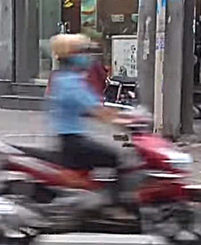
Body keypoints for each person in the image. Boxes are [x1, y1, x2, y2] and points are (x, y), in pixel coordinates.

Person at [47, 34, 137, 218]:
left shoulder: (63, 78)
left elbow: (91, 108)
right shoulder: (70, 82)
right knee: (116, 157)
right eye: (81, 52)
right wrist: (125, 121)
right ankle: (116, 205)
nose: (86, 57)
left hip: (69, 138)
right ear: (71, 55)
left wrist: (118, 116)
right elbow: (95, 109)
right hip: (73, 142)